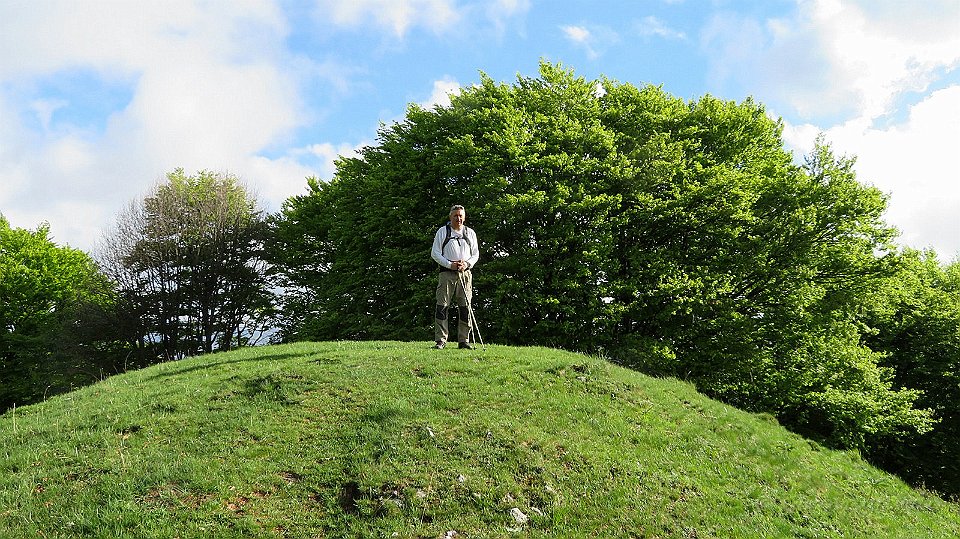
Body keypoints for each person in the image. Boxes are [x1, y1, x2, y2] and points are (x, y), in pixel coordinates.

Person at [430, 204, 480, 349]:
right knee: (442, 306)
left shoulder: (470, 233)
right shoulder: (442, 232)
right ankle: (441, 340)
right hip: (446, 273)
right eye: (455, 216)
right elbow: (435, 253)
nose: (458, 218)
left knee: (465, 307)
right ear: (450, 217)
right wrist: (449, 264)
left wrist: (467, 264)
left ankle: (464, 340)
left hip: (465, 274)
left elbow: (475, 254)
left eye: (460, 216)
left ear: (464, 217)